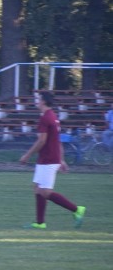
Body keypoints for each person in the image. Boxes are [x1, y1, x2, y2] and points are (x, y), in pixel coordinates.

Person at [19, 91, 85, 229]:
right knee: (37, 188)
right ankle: (40, 223)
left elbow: (41, 141)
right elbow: (57, 140)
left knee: (45, 192)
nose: (36, 101)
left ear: (43, 101)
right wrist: (61, 159)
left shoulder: (45, 118)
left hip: (48, 159)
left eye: (38, 99)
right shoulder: (52, 116)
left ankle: (76, 209)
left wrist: (27, 155)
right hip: (48, 158)